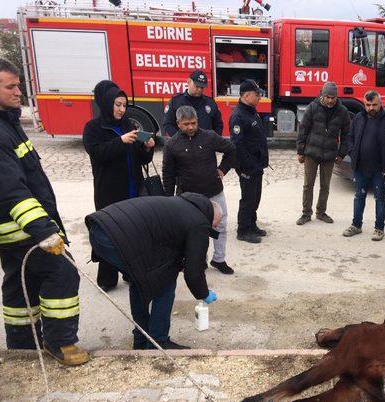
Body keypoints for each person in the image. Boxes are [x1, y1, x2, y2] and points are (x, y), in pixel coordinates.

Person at [0, 57, 89, 366]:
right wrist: (44, 230)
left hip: (16, 230)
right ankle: (60, 343)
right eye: (11, 86)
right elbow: (10, 189)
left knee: (20, 281)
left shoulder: (7, 124)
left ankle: (23, 345)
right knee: (61, 271)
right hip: (23, 229)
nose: (18, 92)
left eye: (19, 85)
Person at [86, 193, 222, 350]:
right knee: (166, 283)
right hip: (115, 239)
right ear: (211, 217)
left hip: (101, 227)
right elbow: (194, 272)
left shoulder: (184, 204)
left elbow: (166, 241)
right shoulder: (200, 223)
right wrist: (203, 293)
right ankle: (157, 341)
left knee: (139, 280)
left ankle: (142, 337)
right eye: (215, 225)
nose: (215, 228)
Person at [82, 80, 155, 291]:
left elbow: (142, 160)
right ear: (106, 103)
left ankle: (130, 272)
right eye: (118, 105)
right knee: (109, 233)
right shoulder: (93, 128)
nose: (122, 109)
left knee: (132, 234)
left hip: (133, 188)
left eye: (124, 105)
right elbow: (97, 153)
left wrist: (147, 147)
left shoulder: (128, 125)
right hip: (109, 191)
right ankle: (107, 278)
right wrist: (120, 142)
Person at [163, 105, 236, 274]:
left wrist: (223, 169)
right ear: (178, 123)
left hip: (214, 191)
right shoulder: (171, 145)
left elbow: (231, 149)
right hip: (188, 197)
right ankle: (198, 261)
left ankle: (219, 259)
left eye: (193, 123)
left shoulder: (209, 137)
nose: (190, 127)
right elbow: (168, 174)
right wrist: (168, 199)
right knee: (194, 230)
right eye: (186, 124)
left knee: (221, 226)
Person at [342, 90, 385, 241]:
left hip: (381, 169)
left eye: (374, 104)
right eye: (368, 105)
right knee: (358, 196)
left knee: (380, 199)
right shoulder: (359, 118)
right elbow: (350, 137)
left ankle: (379, 229)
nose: (370, 108)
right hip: (360, 167)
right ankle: (356, 225)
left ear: (380, 103)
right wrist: (352, 151)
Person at [296, 81, 350, 225]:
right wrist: (300, 151)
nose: (331, 100)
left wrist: (341, 154)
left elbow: (347, 135)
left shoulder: (342, 111)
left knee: (325, 186)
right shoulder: (313, 107)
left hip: (330, 155)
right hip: (311, 153)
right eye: (328, 97)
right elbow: (303, 129)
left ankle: (321, 212)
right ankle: (306, 213)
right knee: (308, 185)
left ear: (337, 97)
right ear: (322, 95)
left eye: (333, 97)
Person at [229, 79, 269, 244]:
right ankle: (243, 230)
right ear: (246, 95)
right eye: (256, 94)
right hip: (248, 166)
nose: (259, 97)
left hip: (256, 165)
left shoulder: (251, 111)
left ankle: (252, 224)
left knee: (255, 197)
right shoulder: (238, 115)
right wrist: (248, 165)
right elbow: (238, 145)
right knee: (247, 198)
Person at [162, 70, 223, 137]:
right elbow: (168, 124)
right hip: (183, 144)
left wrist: (213, 140)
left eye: (202, 87)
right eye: (197, 86)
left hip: (205, 144)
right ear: (188, 81)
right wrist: (180, 140)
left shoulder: (210, 103)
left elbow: (218, 125)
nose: (199, 89)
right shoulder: (176, 102)